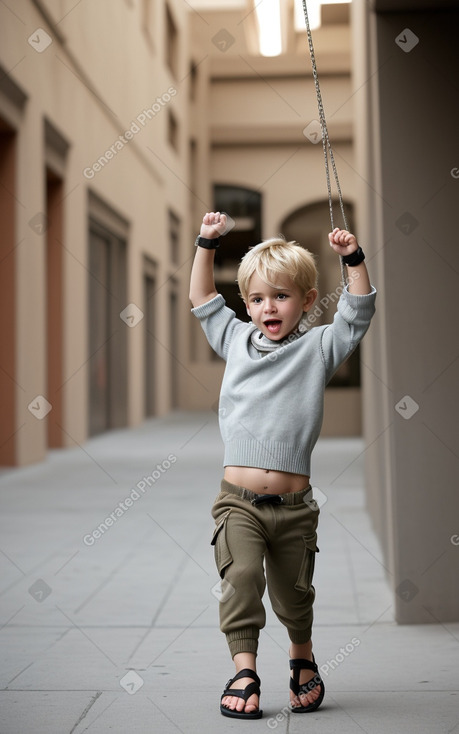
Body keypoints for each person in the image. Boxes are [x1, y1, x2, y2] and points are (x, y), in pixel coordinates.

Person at [189, 211, 376, 719]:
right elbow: (203, 298)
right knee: (242, 575)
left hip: (294, 505)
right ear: (245, 303)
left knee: (294, 593)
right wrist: (207, 243)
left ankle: (302, 657)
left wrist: (351, 258)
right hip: (239, 501)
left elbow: (359, 311)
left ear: (308, 302)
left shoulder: (317, 348)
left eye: (281, 296)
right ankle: (245, 670)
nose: (267, 307)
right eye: (256, 298)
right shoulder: (234, 341)